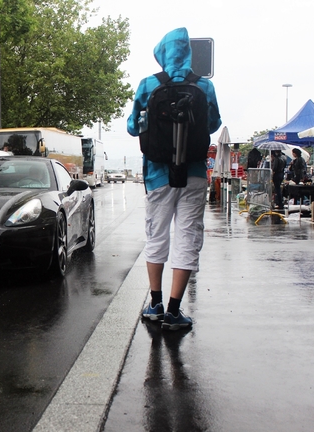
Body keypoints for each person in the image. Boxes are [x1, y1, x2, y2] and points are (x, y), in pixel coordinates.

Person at [127, 27, 221, 331]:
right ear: (188, 54)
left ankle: (154, 304)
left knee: (156, 236)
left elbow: (132, 127)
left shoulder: (148, 84)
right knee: (188, 237)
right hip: (193, 173)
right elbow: (215, 122)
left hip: (157, 174)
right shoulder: (204, 87)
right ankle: (174, 309)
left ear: (162, 54)